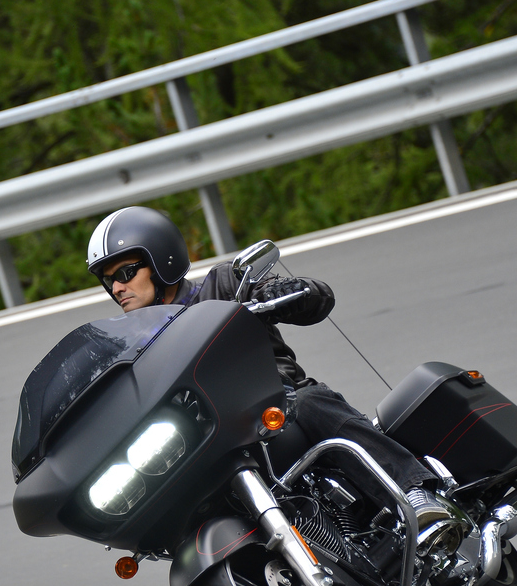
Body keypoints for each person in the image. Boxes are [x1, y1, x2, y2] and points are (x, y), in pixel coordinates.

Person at [87, 205, 450, 530]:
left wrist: (282, 292)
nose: (116, 287)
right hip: (207, 443)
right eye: (108, 280)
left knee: (309, 402)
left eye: (126, 272)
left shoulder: (223, 285)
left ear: (161, 261)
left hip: (278, 405)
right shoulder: (133, 349)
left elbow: (318, 297)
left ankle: (413, 492)